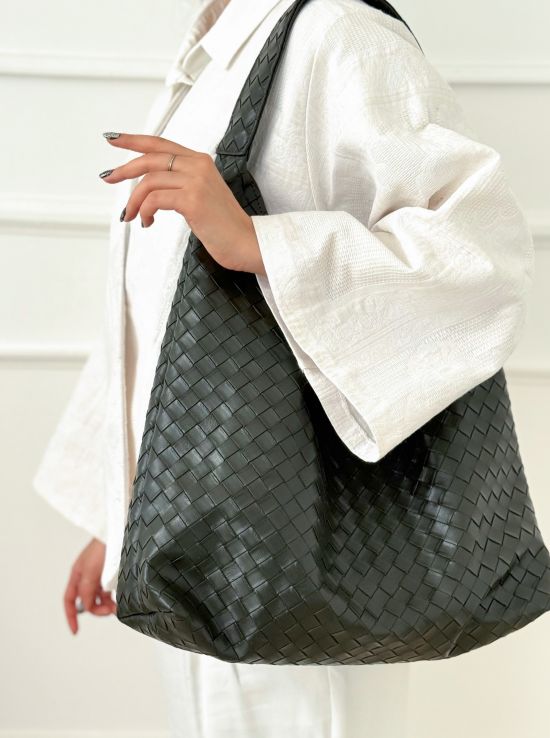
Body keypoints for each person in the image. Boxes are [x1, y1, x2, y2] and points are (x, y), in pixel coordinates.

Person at [33, 0, 534, 736]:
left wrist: (261, 244)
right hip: (196, 544)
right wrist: (123, 509)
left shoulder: (340, 34)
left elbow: (481, 250)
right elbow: (162, 318)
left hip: (299, 562)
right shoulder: (212, 55)